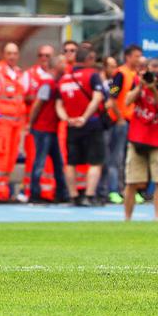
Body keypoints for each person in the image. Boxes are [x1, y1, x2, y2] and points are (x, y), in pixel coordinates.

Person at [56, 47, 108, 207]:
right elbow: (99, 97)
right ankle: (89, 195)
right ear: (89, 59)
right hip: (91, 123)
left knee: (71, 162)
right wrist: (83, 118)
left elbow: (58, 104)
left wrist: (67, 119)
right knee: (95, 161)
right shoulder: (93, 75)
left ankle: (74, 196)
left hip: (72, 125)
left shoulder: (65, 78)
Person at [123, 58, 158, 221]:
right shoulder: (132, 79)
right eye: (152, 69)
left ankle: (157, 218)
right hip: (137, 137)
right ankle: (127, 219)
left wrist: (154, 90)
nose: (154, 73)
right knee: (131, 181)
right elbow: (126, 100)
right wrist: (141, 87)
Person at [27, 50, 72, 204]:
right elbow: (38, 104)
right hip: (43, 129)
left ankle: (61, 193)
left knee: (57, 163)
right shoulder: (48, 83)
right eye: (63, 63)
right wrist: (31, 124)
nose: (66, 65)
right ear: (56, 66)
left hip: (50, 129)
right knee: (40, 162)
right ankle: (34, 193)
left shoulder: (55, 83)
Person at [0, 42, 27, 202]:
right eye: (9, 53)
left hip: (16, 124)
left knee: (11, 158)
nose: (12, 56)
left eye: (15, 53)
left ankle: (4, 191)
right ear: (4, 54)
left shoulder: (19, 73)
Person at [107, 45, 143, 204]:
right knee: (116, 157)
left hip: (133, 122)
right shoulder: (119, 74)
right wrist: (119, 118)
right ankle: (114, 190)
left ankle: (130, 190)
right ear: (128, 57)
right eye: (136, 56)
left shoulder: (136, 75)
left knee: (131, 158)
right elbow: (112, 96)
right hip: (120, 122)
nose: (138, 59)